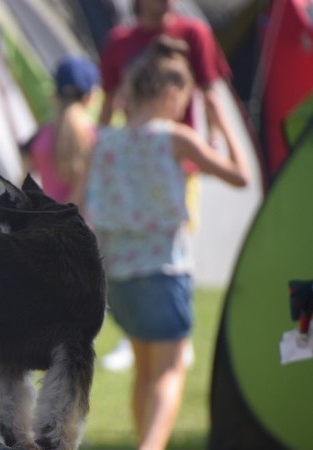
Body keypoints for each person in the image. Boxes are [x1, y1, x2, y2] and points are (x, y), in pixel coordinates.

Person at [84, 37, 248, 450]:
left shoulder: (105, 142)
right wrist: (220, 122)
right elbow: (241, 176)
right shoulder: (176, 137)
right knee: (172, 368)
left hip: (116, 275)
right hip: (163, 269)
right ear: (171, 94)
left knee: (143, 367)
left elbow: (78, 203)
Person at [97, 0, 237, 371]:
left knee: (174, 236)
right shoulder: (120, 40)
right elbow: (109, 103)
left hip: (176, 157)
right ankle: (140, 336)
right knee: (138, 237)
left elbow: (209, 92)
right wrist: (102, 150)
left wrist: (215, 140)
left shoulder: (194, 33)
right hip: (133, 155)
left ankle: (173, 334)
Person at [21, 54, 99, 210]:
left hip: (44, 222)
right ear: (90, 97)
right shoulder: (95, 138)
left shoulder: (40, 137)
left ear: (55, 95)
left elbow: (21, 185)